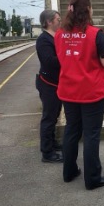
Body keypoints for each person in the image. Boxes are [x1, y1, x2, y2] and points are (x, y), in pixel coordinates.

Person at [55, 0, 104, 190]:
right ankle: (92, 178)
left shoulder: (59, 34)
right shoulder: (95, 34)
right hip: (92, 91)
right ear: (88, 10)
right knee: (91, 134)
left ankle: (69, 171)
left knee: (72, 130)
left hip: (68, 90)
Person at [35, 10, 64, 163]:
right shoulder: (43, 40)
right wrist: (67, 56)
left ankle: (52, 143)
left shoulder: (54, 37)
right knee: (49, 117)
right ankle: (47, 152)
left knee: (54, 116)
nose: (60, 22)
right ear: (49, 22)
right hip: (48, 84)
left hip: (55, 83)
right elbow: (50, 61)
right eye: (58, 19)